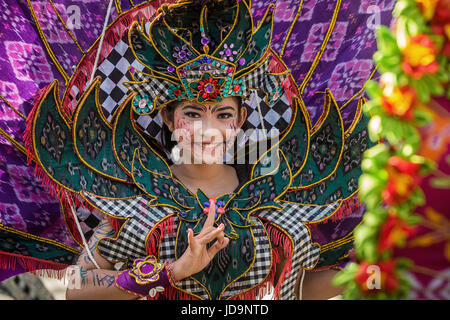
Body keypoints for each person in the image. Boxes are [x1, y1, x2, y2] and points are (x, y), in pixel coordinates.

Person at [21, 0, 370, 300]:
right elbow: (76, 287)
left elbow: (296, 287)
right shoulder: (132, 194)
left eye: (223, 114)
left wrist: (371, 277)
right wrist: (171, 272)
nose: (207, 129)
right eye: (192, 113)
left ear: (240, 120)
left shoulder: (276, 190)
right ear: (169, 119)